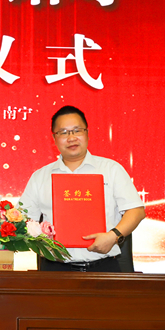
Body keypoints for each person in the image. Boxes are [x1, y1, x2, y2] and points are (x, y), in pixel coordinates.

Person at [20, 105, 145, 272]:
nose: (71, 138)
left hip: (104, 268)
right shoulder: (40, 177)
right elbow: (24, 220)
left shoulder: (111, 169)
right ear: (54, 138)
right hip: (55, 270)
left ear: (87, 133)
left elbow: (136, 211)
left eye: (77, 130)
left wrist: (113, 236)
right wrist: (38, 238)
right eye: (63, 132)